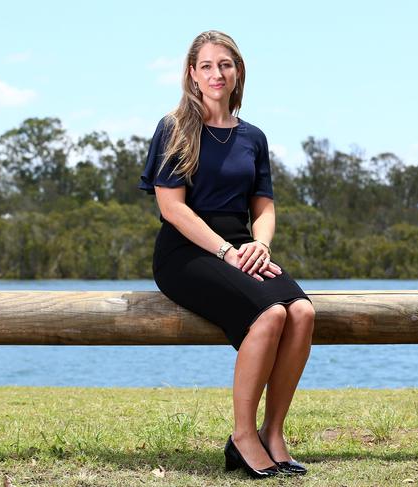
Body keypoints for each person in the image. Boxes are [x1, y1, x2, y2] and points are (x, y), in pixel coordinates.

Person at [138, 30, 315, 479]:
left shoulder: (253, 136)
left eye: (226, 65)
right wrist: (225, 252)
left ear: (238, 73)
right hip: (187, 251)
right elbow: (171, 207)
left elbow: (265, 206)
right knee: (271, 314)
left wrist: (260, 244)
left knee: (301, 312)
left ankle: (273, 433)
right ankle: (242, 437)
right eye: (207, 66)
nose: (217, 74)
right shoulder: (175, 128)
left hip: (243, 247)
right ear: (192, 76)